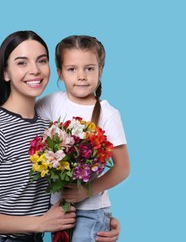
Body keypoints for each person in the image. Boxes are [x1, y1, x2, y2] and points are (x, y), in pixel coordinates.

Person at [0, 30, 121, 242]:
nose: (34, 70)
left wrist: (99, 222)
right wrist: (39, 223)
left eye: (41, 61)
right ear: (5, 73)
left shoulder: (51, 126)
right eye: (22, 63)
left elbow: (62, 190)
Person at [36, 35, 130, 241]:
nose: (81, 76)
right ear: (60, 73)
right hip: (58, 212)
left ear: (101, 71)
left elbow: (122, 168)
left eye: (89, 68)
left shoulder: (108, 114)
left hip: (91, 212)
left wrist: (86, 192)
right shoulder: (50, 102)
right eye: (72, 69)